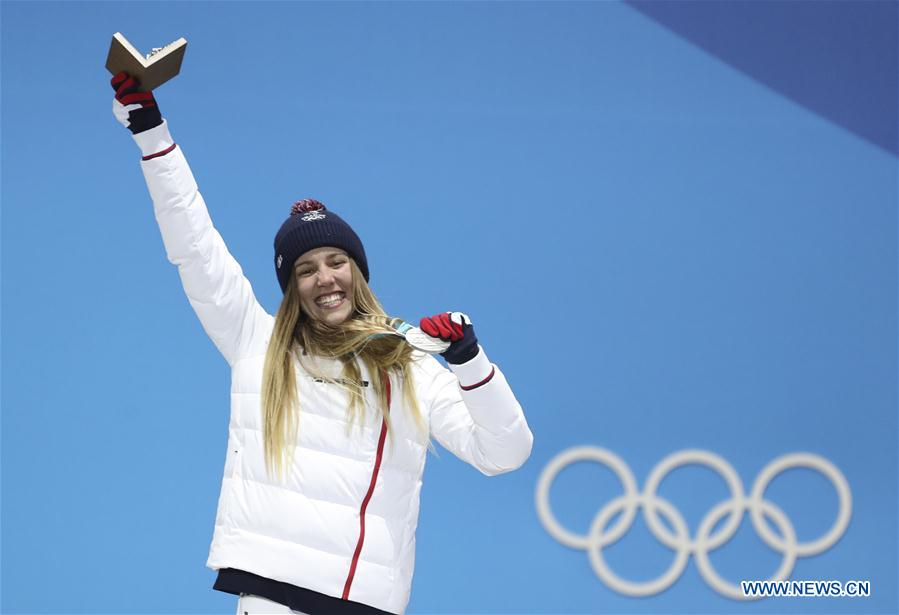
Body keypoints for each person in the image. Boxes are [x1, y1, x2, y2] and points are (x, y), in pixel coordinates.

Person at [110, 71, 533, 615]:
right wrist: (152, 134)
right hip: (271, 595)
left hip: (366, 601)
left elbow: (504, 453)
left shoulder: (409, 365)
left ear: (358, 272)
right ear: (291, 287)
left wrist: (469, 363)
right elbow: (194, 245)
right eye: (306, 269)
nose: (325, 278)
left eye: (337, 262)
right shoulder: (254, 341)